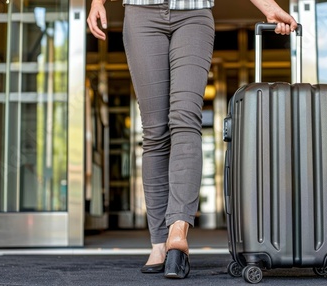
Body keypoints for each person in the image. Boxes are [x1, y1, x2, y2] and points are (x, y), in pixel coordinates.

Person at [87, 0, 297, 279]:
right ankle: (159, 243)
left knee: (184, 120)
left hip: (194, 14)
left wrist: (268, 6)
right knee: (155, 131)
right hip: (141, 14)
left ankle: (177, 229)